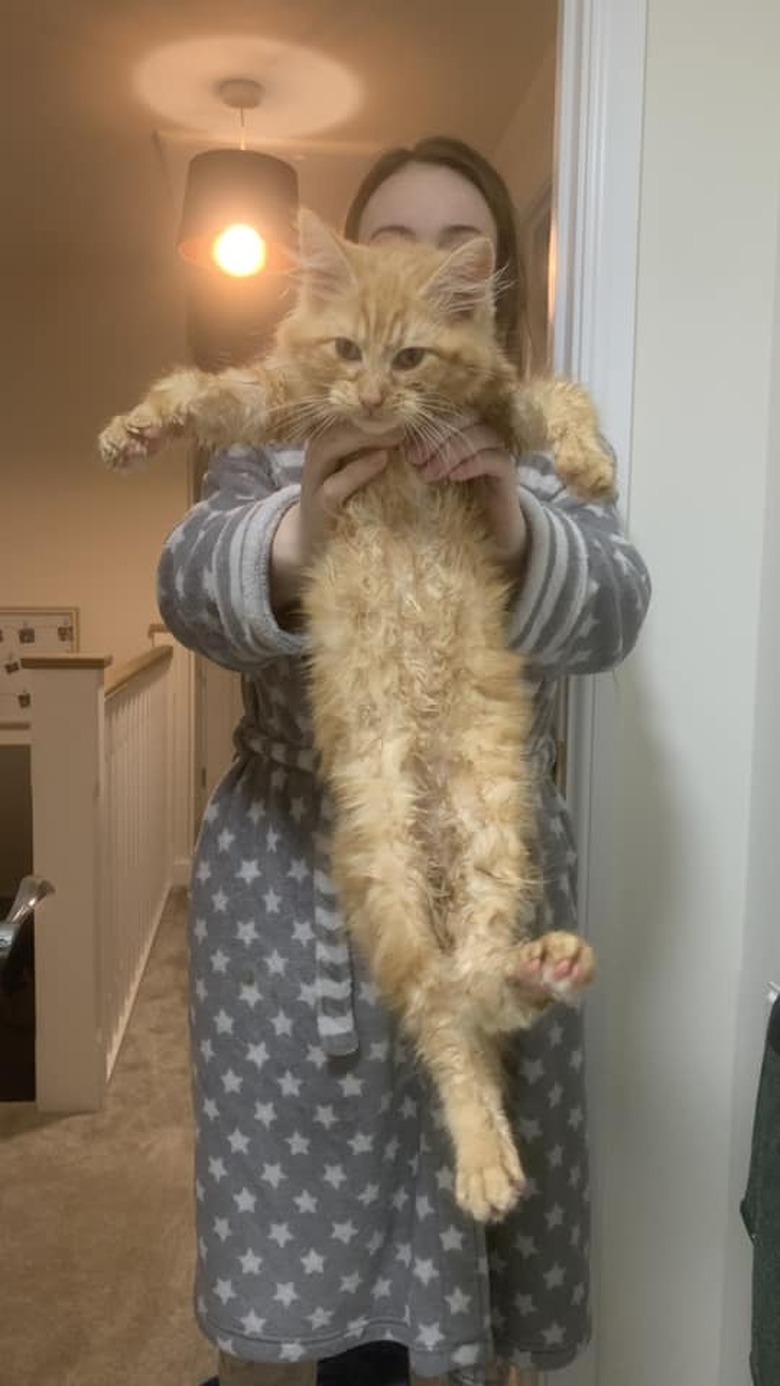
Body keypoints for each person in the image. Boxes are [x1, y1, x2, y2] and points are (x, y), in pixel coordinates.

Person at [157, 136, 651, 1386]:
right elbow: (184, 588)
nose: (422, 274)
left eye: (460, 255)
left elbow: (614, 612)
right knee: (317, 1279)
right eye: (394, 244)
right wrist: (297, 531)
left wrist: (515, 523)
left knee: (474, 1263)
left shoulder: (535, 446)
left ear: (492, 306)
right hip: (296, 889)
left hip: (487, 872)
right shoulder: (282, 430)